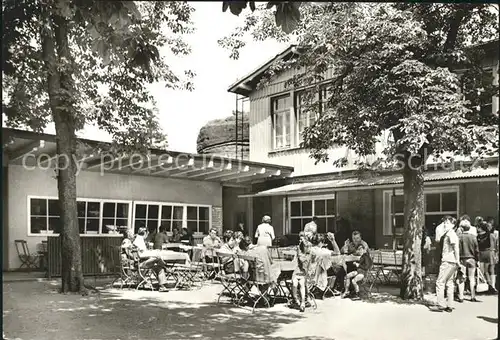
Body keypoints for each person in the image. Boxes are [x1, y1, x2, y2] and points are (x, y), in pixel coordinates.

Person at [435, 215, 460, 312]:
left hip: (447, 260)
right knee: (449, 283)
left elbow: (455, 248)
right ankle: (450, 304)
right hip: (452, 261)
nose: (445, 224)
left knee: (440, 282)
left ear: (453, 224)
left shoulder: (450, 234)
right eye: (445, 222)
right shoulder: (449, 233)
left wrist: (457, 260)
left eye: (448, 223)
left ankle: (441, 304)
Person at [457, 220, 480, 302]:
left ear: (461, 228)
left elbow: (458, 249)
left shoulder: (459, 237)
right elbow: (477, 250)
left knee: (461, 278)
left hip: (462, 259)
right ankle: (472, 296)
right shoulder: (473, 237)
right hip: (472, 259)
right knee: (472, 278)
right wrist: (477, 260)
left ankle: (461, 297)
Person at [292, 238, 313, 312]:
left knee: (301, 284)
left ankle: (303, 302)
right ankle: (296, 299)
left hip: (304, 274)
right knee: (294, 284)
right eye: (306, 247)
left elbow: (303, 261)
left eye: (309, 247)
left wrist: (298, 252)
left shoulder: (308, 255)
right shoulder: (300, 254)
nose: (308, 248)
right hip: (297, 272)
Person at [477, 221, 497, 294]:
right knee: (492, 270)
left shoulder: (478, 236)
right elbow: (495, 245)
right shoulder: (492, 235)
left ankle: (488, 284)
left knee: (484, 271)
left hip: (482, 253)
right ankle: (493, 286)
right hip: (491, 253)